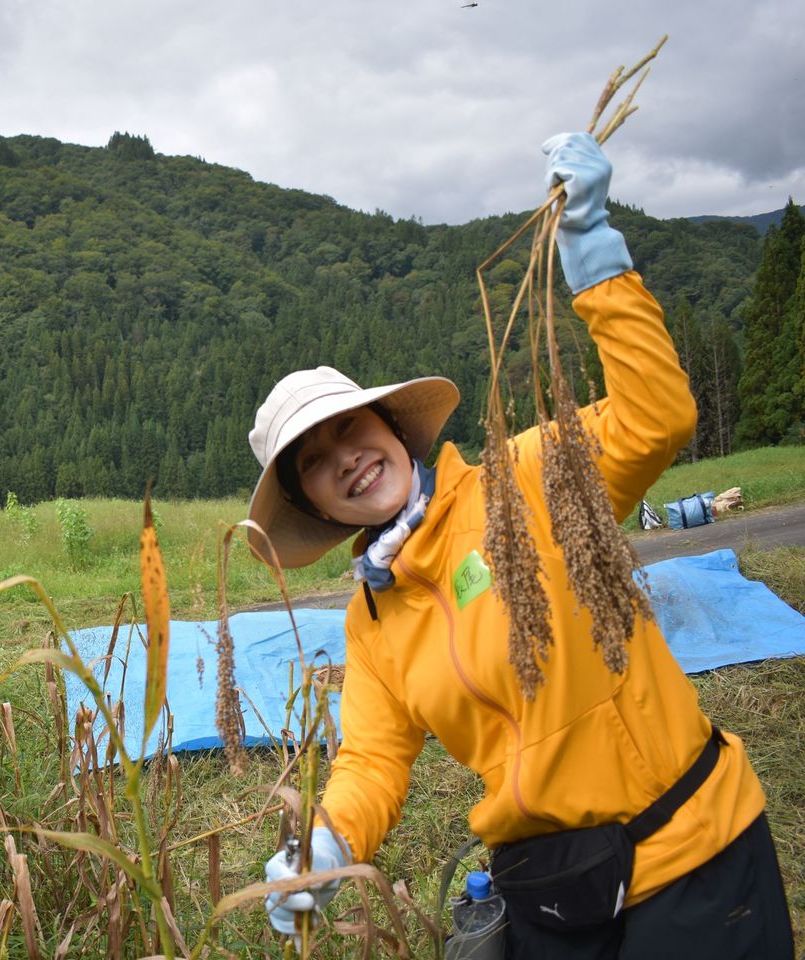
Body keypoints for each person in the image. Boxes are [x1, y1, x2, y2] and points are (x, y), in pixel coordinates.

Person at [249, 135, 793, 958]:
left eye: (349, 430)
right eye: (315, 464)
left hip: (691, 860)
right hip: (556, 898)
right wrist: (326, 845)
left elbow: (656, 417)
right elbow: (371, 761)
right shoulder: (375, 619)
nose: (346, 461)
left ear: (392, 426)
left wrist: (596, 255)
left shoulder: (523, 481)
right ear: (315, 507)